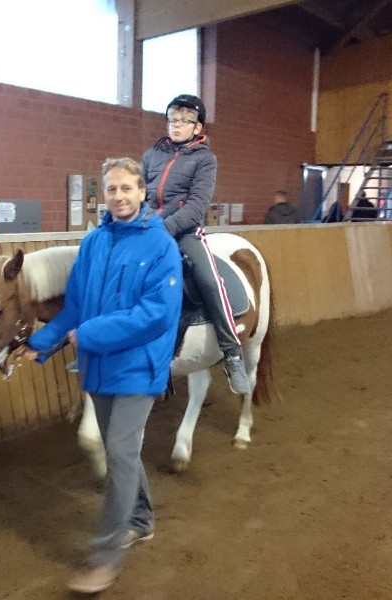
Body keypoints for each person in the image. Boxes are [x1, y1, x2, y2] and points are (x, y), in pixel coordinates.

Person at [22, 157, 183, 594]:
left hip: (137, 368)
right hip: (98, 368)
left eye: (127, 188)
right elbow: (75, 306)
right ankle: (142, 520)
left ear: (142, 192)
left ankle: (104, 556)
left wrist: (89, 334)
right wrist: (41, 343)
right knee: (120, 453)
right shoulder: (93, 242)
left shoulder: (161, 246)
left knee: (119, 453)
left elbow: (155, 315)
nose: (119, 196)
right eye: (112, 189)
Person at [141, 93, 251, 395]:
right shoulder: (152, 155)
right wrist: (143, 224)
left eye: (184, 121)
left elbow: (196, 206)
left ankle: (232, 354)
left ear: (197, 127)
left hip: (185, 232)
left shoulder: (205, 160)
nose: (176, 125)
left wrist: (164, 228)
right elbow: (141, 196)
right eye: (172, 120)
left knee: (209, 280)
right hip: (149, 229)